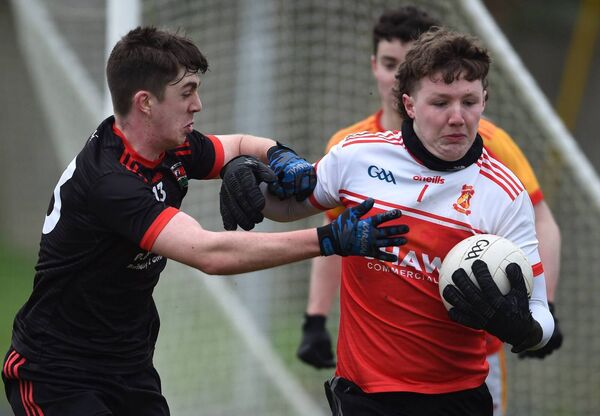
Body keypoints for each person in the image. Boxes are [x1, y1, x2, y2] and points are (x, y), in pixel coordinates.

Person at [1, 27, 410, 416]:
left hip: (128, 363)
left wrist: (283, 156)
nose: (198, 104)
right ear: (145, 102)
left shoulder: (167, 147)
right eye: (187, 92)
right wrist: (328, 238)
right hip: (56, 370)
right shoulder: (112, 182)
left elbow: (238, 144)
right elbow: (210, 253)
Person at [224, 27, 555, 415]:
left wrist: (524, 329)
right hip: (364, 395)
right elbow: (285, 206)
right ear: (409, 104)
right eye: (440, 102)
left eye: (469, 101)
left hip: (457, 399)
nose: (457, 117)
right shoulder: (357, 156)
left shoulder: (504, 192)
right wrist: (242, 172)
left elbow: (540, 315)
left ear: (485, 100)